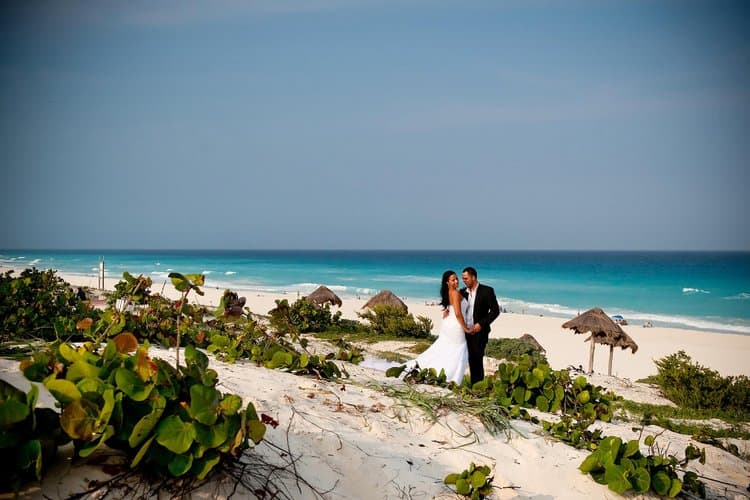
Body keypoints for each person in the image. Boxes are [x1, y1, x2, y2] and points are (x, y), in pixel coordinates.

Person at [405, 270, 470, 384]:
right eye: (453, 280)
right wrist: (466, 328)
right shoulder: (454, 293)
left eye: (456, 279)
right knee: (458, 351)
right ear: (447, 282)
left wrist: (447, 310)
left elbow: (450, 306)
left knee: (444, 349)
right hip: (456, 326)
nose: (456, 281)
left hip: (448, 324)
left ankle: (428, 370)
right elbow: (458, 314)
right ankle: (450, 376)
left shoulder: (449, 292)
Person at [460, 266, 500, 385]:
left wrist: (481, 324)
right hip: (464, 331)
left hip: (480, 332)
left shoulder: (487, 291)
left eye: (466, 278)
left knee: (476, 359)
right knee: (467, 359)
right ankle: (470, 385)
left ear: (473, 277)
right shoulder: (462, 292)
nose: (464, 281)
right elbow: (452, 302)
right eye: (463, 279)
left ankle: (478, 387)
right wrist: (447, 309)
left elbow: (495, 311)